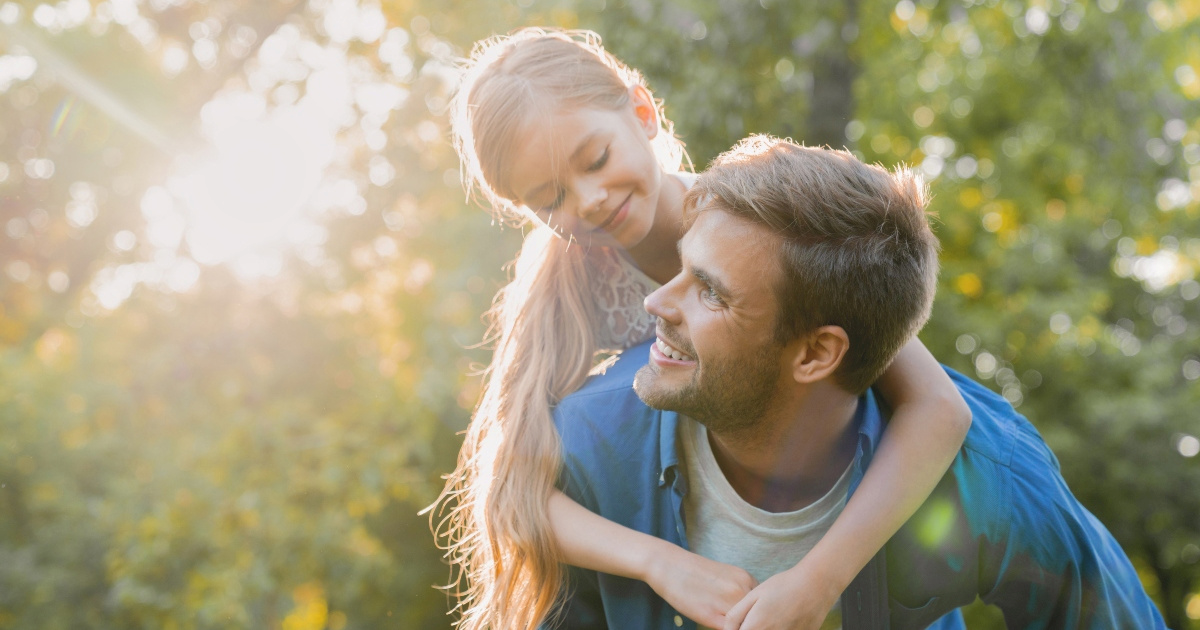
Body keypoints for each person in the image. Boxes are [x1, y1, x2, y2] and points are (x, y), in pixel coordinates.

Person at [433, 28, 972, 630]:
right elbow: (512, 493)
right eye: (549, 198)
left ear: (642, 113)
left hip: (834, 522)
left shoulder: (752, 220)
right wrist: (658, 563)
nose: (588, 200)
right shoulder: (568, 283)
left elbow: (938, 407)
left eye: (596, 159)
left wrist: (819, 581)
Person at [549, 135, 1167, 629]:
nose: (657, 301)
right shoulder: (589, 446)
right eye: (682, 267)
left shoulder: (989, 476)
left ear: (817, 354)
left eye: (710, 292)